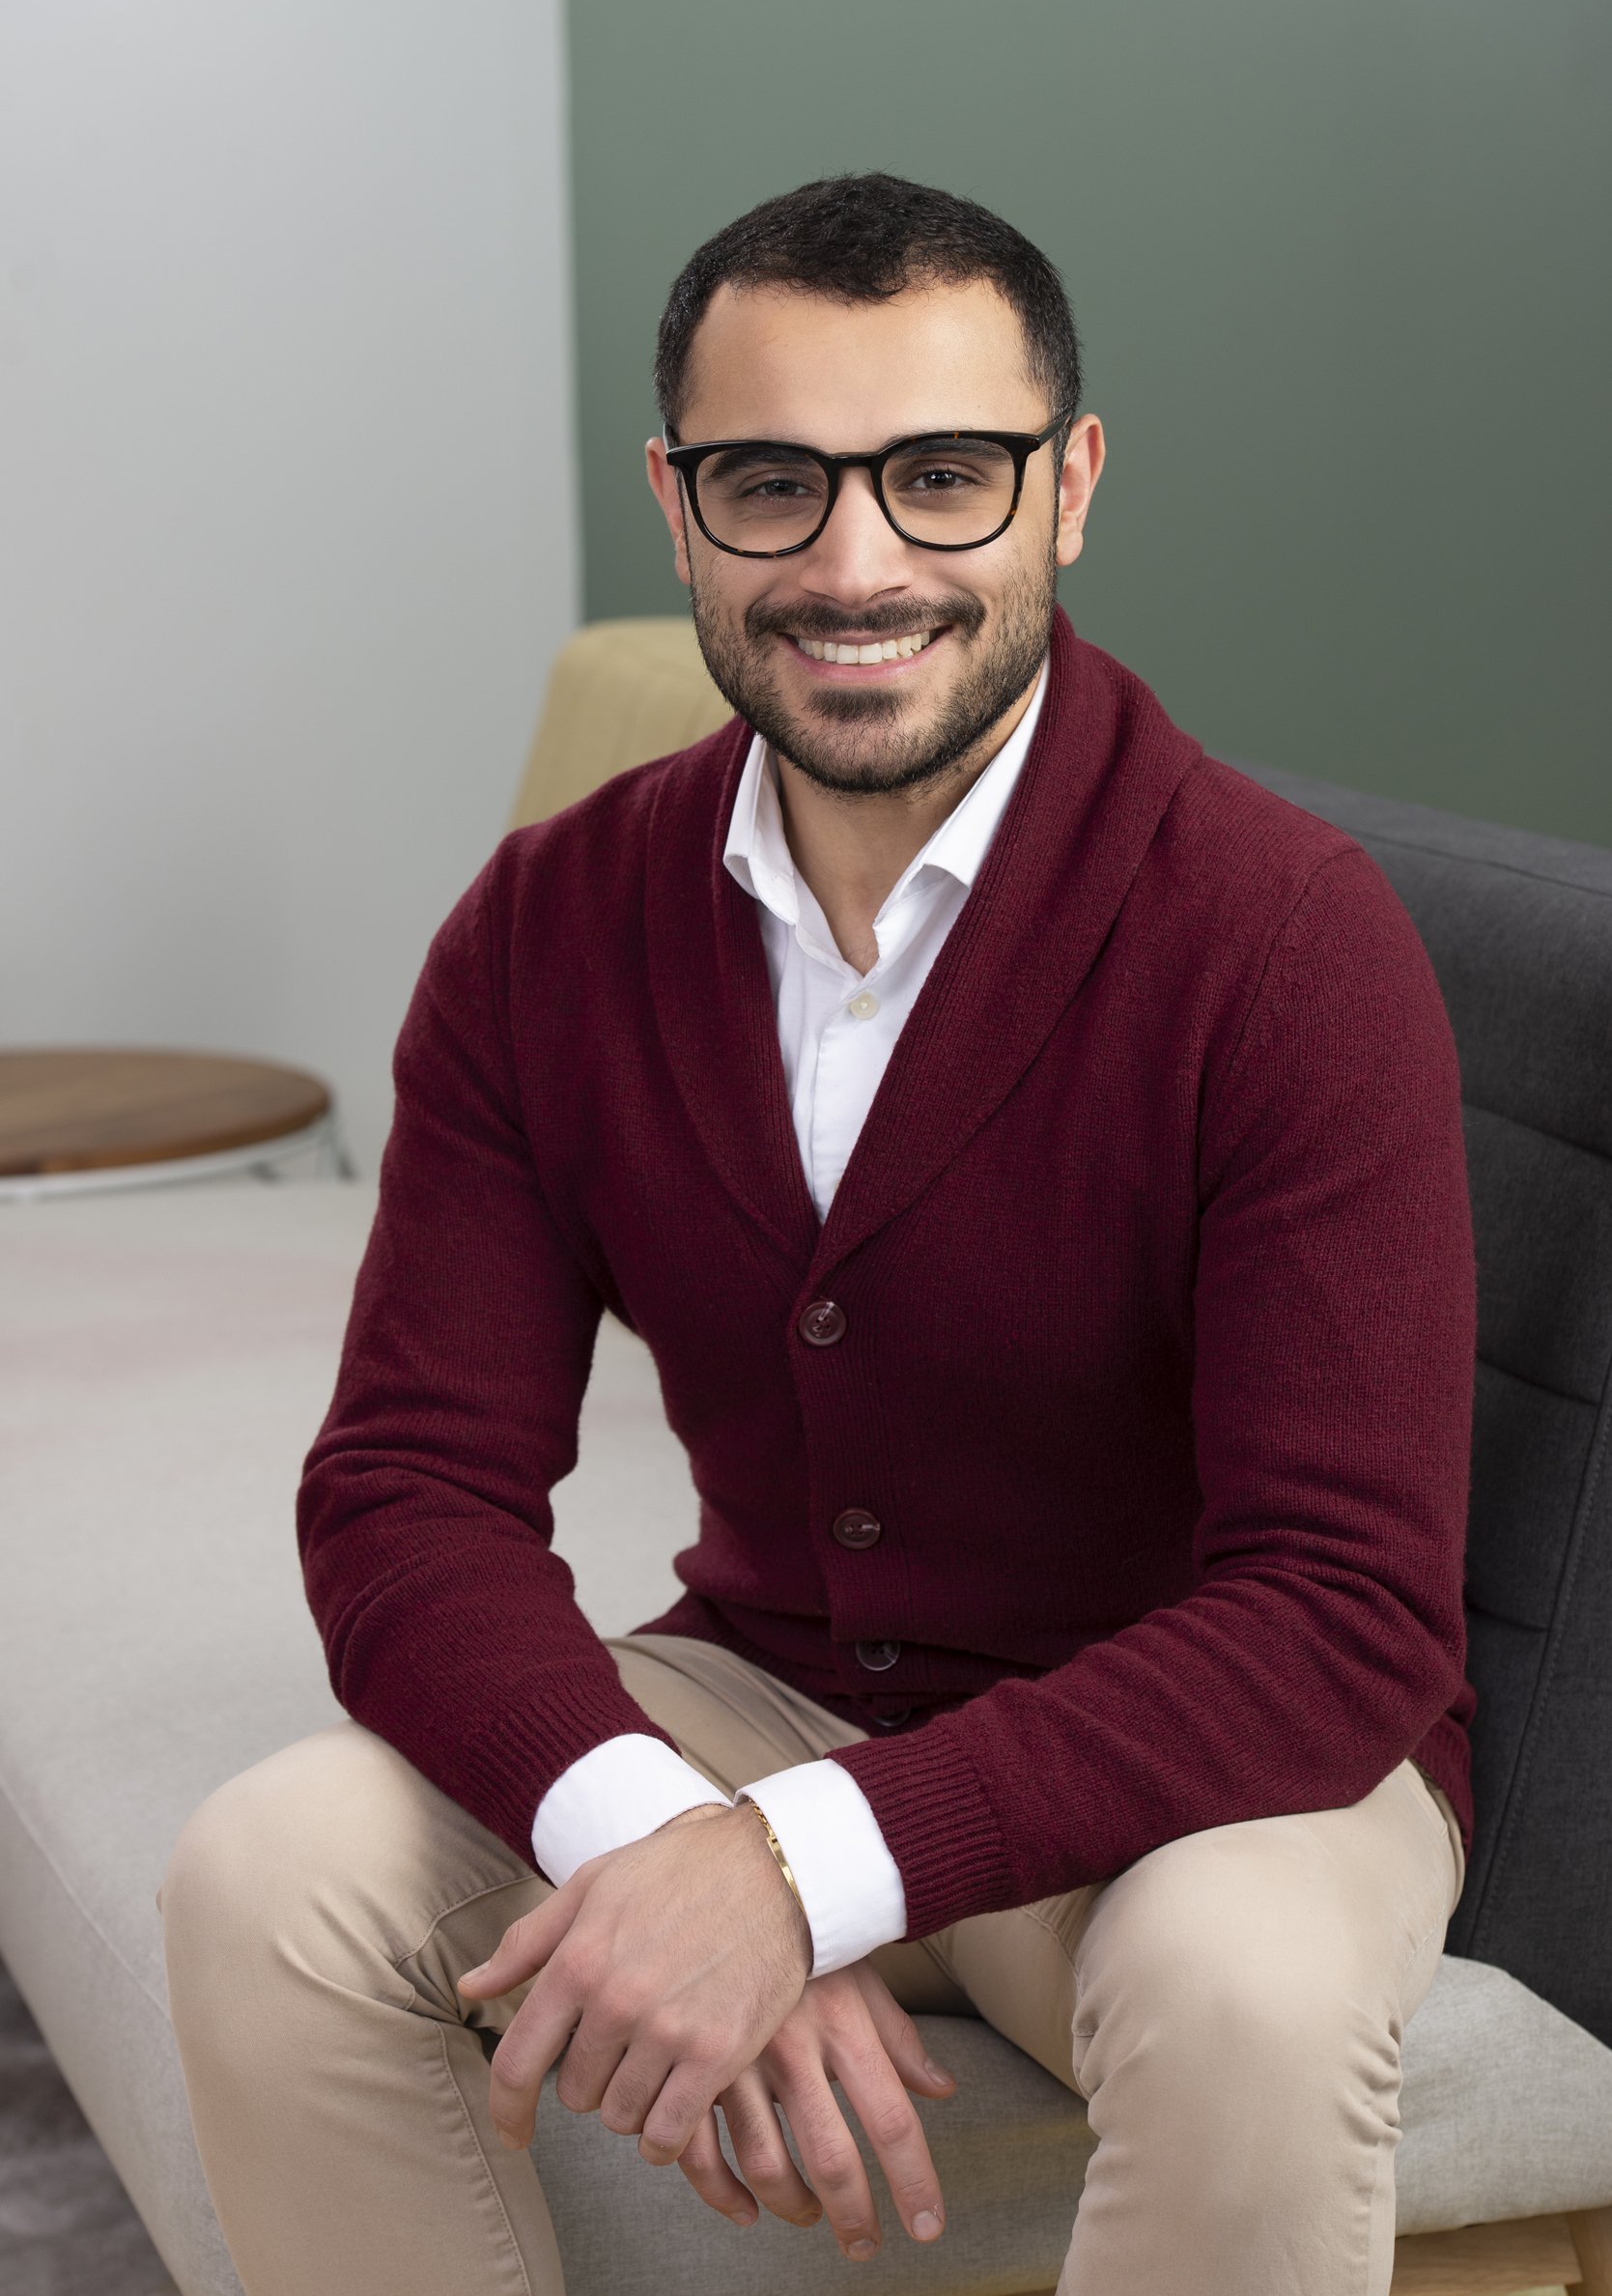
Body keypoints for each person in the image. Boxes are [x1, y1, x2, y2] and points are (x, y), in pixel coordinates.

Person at [160, 173, 1476, 2296]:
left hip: (1200, 1782)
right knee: (266, 1870)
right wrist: (656, 1835)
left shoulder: (1286, 940)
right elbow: (407, 1492)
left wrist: (794, 1873)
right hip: (767, 1689)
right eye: (776, 485)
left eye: (942, 479)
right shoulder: (545, 925)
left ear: (1069, 490)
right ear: (678, 508)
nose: (857, 565)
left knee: (1248, 1991)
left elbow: (1343, 1613)